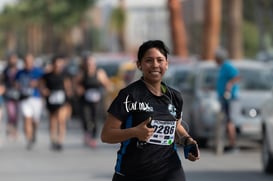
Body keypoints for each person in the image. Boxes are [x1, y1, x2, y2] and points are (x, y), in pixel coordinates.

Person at [101, 40, 200, 181]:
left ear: (166, 64)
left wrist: (187, 141)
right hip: (132, 173)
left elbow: (176, 127)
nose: (155, 65)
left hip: (170, 171)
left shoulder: (175, 96)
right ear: (139, 65)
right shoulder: (129, 95)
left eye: (160, 60)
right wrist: (135, 132)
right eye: (149, 60)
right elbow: (106, 135)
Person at [76, 53, 112, 148]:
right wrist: (79, 89)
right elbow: (76, 84)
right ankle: (87, 133)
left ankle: (93, 138)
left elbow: (107, 84)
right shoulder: (82, 73)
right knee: (85, 117)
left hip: (97, 99)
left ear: (94, 64)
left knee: (95, 118)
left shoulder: (99, 73)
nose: (90, 65)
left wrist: (104, 86)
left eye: (91, 63)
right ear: (84, 64)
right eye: (88, 64)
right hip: (85, 99)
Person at [39, 55, 71, 151]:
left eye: (60, 64)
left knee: (61, 120)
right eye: (56, 64)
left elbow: (68, 87)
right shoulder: (47, 75)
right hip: (51, 100)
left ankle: (60, 141)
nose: (58, 66)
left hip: (62, 100)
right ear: (53, 65)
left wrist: (69, 99)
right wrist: (44, 91)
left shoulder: (65, 75)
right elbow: (41, 86)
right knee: (52, 121)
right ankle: (53, 139)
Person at [15, 53, 44, 150]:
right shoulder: (20, 72)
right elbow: (16, 83)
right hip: (24, 99)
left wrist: (37, 84)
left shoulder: (38, 71)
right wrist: (18, 86)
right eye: (26, 62)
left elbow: (44, 83)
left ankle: (34, 132)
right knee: (26, 119)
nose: (28, 64)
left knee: (35, 120)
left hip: (36, 98)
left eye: (30, 62)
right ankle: (29, 139)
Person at [215, 48, 240, 152]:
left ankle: (232, 144)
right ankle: (226, 143)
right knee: (224, 121)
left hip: (230, 98)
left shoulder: (228, 66)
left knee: (230, 121)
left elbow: (236, 77)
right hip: (223, 98)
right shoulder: (221, 67)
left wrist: (229, 85)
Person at [3, 52, 20, 140]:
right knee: (11, 113)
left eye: (14, 58)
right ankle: (10, 128)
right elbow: (2, 81)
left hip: (18, 95)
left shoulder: (19, 70)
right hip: (9, 95)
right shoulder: (6, 70)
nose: (13, 60)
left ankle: (15, 130)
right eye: (11, 59)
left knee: (16, 114)